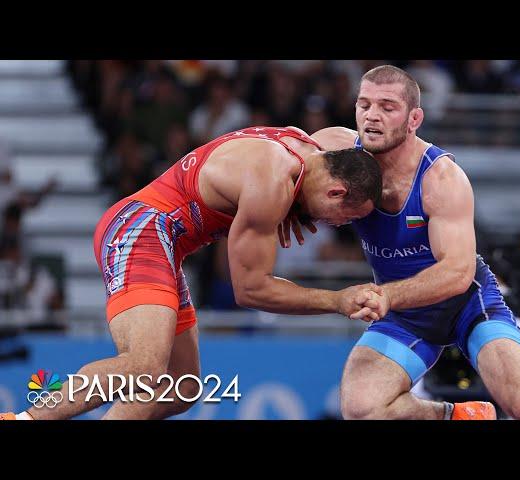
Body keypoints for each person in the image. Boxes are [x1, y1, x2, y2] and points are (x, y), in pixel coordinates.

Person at [1, 125, 385, 420]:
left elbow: (364, 146)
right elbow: (251, 291)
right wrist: (337, 300)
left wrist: (299, 204)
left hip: (164, 240)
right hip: (142, 227)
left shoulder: (317, 145)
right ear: (336, 192)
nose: (335, 226)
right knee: (143, 366)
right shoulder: (271, 182)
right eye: (345, 219)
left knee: (180, 385)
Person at [284, 65, 520, 420]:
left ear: (414, 119)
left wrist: (388, 296)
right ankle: (458, 415)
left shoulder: (441, 178)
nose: (372, 117)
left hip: (467, 306)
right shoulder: (333, 149)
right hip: (405, 315)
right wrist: (287, 207)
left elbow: (457, 273)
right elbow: (275, 154)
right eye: (364, 105)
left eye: (387, 107)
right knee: (361, 409)